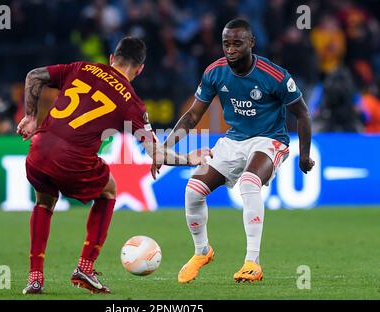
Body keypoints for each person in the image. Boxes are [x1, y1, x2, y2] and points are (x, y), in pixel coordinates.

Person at [17, 37, 210, 294]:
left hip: (40, 148)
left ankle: (35, 277)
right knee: (109, 189)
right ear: (140, 69)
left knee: (44, 202)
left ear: (111, 58)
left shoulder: (82, 68)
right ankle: (85, 266)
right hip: (72, 158)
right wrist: (190, 159)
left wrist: (30, 117)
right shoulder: (131, 102)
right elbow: (157, 153)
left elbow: (34, 75)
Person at [154, 19, 315, 284]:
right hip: (234, 140)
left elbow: (303, 114)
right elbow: (193, 116)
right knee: (193, 190)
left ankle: (252, 262)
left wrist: (305, 156)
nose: (230, 49)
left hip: (269, 139)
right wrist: (164, 149)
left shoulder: (275, 75)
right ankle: (202, 251)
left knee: (250, 183)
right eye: (226, 43)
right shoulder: (215, 72)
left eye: (237, 43)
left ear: (251, 43)